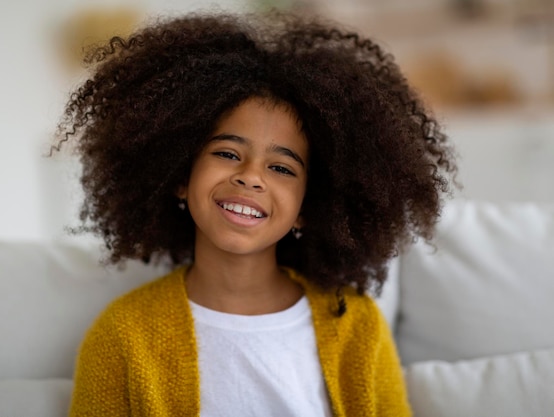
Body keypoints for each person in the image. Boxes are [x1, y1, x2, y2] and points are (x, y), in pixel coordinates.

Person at [54, 10, 457, 417]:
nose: (250, 177)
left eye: (281, 168)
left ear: (307, 207)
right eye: (228, 154)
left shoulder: (357, 325)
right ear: (178, 176)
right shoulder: (122, 335)